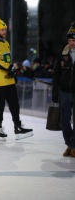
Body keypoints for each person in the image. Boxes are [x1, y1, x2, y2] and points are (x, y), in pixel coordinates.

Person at [0, 18, 33, 141]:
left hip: (8, 79)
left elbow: (6, 60)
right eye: (2, 29)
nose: (5, 31)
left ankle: (17, 126)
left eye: (5, 29)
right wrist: (10, 67)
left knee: (14, 104)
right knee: (0, 104)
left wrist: (12, 69)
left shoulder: (6, 43)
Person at [52, 21, 75, 157]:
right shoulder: (62, 54)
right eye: (70, 40)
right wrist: (55, 92)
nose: (72, 43)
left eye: (74, 40)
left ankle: (72, 146)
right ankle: (70, 145)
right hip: (65, 92)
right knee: (64, 121)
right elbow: (56, 75)